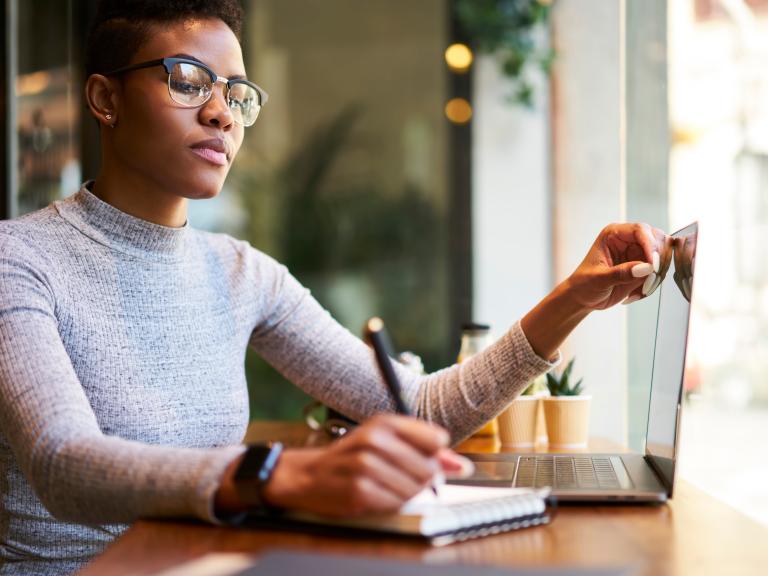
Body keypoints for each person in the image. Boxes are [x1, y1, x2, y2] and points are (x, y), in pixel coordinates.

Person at [0, 1, 672, 574]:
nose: (221, 114)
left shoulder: (241, 273)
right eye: (186, 80)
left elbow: (421, 410)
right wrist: (279, 475)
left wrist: (573, 300)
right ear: (104, 98)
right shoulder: (18, 259)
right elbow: (63, 464)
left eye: (236, 95)